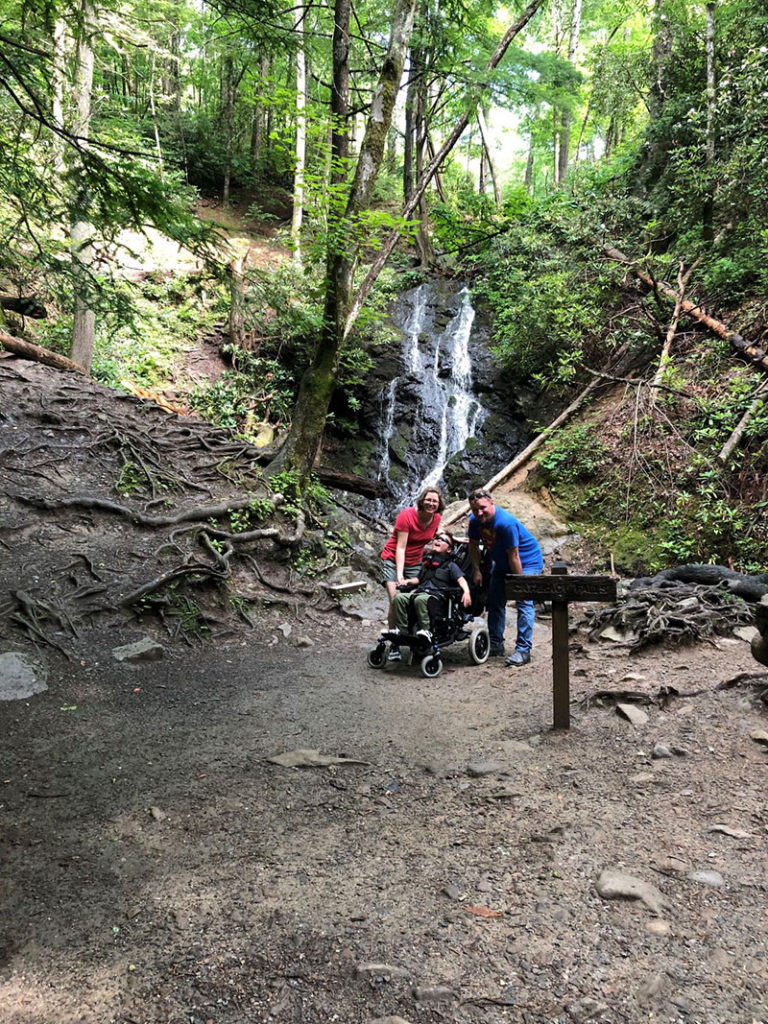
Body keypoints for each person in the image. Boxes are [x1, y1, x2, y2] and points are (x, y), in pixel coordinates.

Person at [467, 488, 543, 667]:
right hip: (502, 564)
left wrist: (519, 584)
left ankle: (523, 650)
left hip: (527, 562)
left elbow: (514, 555)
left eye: (483, 508)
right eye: (475, 510)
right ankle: (496, 644)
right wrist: (476, 570)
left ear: (492, 503)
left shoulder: (505, 523)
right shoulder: (474, 522)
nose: (479, 513)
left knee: (524, 602)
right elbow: (472, 545)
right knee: (494, 602)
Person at [380, 487, 445, 656]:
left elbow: (435, 532)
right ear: (422, 500)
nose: (431, 503)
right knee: (395, 599)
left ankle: (414, 636)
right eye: (428, 500)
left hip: (416, 561)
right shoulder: (406, 516)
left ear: (439, 505)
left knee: (416, 597)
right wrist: (400, 575)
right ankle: (394, 641)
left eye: (435, 501)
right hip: (393, 560)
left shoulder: (436, 518)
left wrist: (454, 539)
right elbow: (400, 548)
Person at [389, 532, 472, 655]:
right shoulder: (427, 564)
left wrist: (466, 592)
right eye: (437, 538)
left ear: (449, 549)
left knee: (420, 600)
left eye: (443, 540)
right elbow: (418, 579)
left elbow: (461, 579)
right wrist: (407, 581)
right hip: (421, 593)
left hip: (437, 598)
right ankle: (402, 630)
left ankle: (426, 630)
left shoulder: (451, 566)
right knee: (399, 598)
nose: (438, 540)